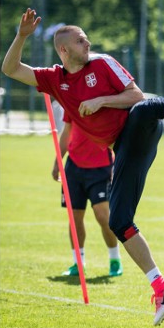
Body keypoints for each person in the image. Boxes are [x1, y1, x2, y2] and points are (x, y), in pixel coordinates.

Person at [2, 8, 164, 326]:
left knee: (145, 107)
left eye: (86, 39)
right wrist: (21, 36)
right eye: (80, 40)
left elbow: (136, 94)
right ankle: (160, 284)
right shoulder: (55, 79)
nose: (87, 43)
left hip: (138, 129)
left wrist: (101, 100)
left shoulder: (102, 63)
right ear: (64, 50)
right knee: (119, 221)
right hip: (125, 151)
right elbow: (11, 69)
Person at [51, 109, 122, 277]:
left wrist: (117, 165)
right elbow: (67, 132)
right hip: (74, 168)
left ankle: (115, 260)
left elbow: (117, 136)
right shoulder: (70, 102)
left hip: (100, 169)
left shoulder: (104, 104)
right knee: (75, 218)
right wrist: (57, 162)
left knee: (103, 217)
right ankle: (78, 263)